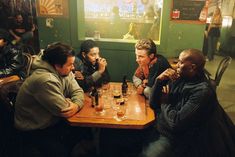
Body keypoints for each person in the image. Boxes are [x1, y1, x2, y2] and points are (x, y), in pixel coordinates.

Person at [142, 49, 235, 157]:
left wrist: (165, 102)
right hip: (159, 125)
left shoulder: (202, 91)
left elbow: (175, 124)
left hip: (176, 138)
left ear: (192, 67)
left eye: (180, 62)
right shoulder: (178, 77)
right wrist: (159, 81)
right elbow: (153, 104)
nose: (176, 65)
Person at [14, 42, 88, 157]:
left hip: (52, 123)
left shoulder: (63, 70)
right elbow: (64, 110)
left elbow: (78, 91)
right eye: (70, 64)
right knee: (64, 150)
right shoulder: (45, 79)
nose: (73, 67)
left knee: (85, 134)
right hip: (35, 131)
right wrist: (71, 103)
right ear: (57, 65)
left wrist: (76, 104)